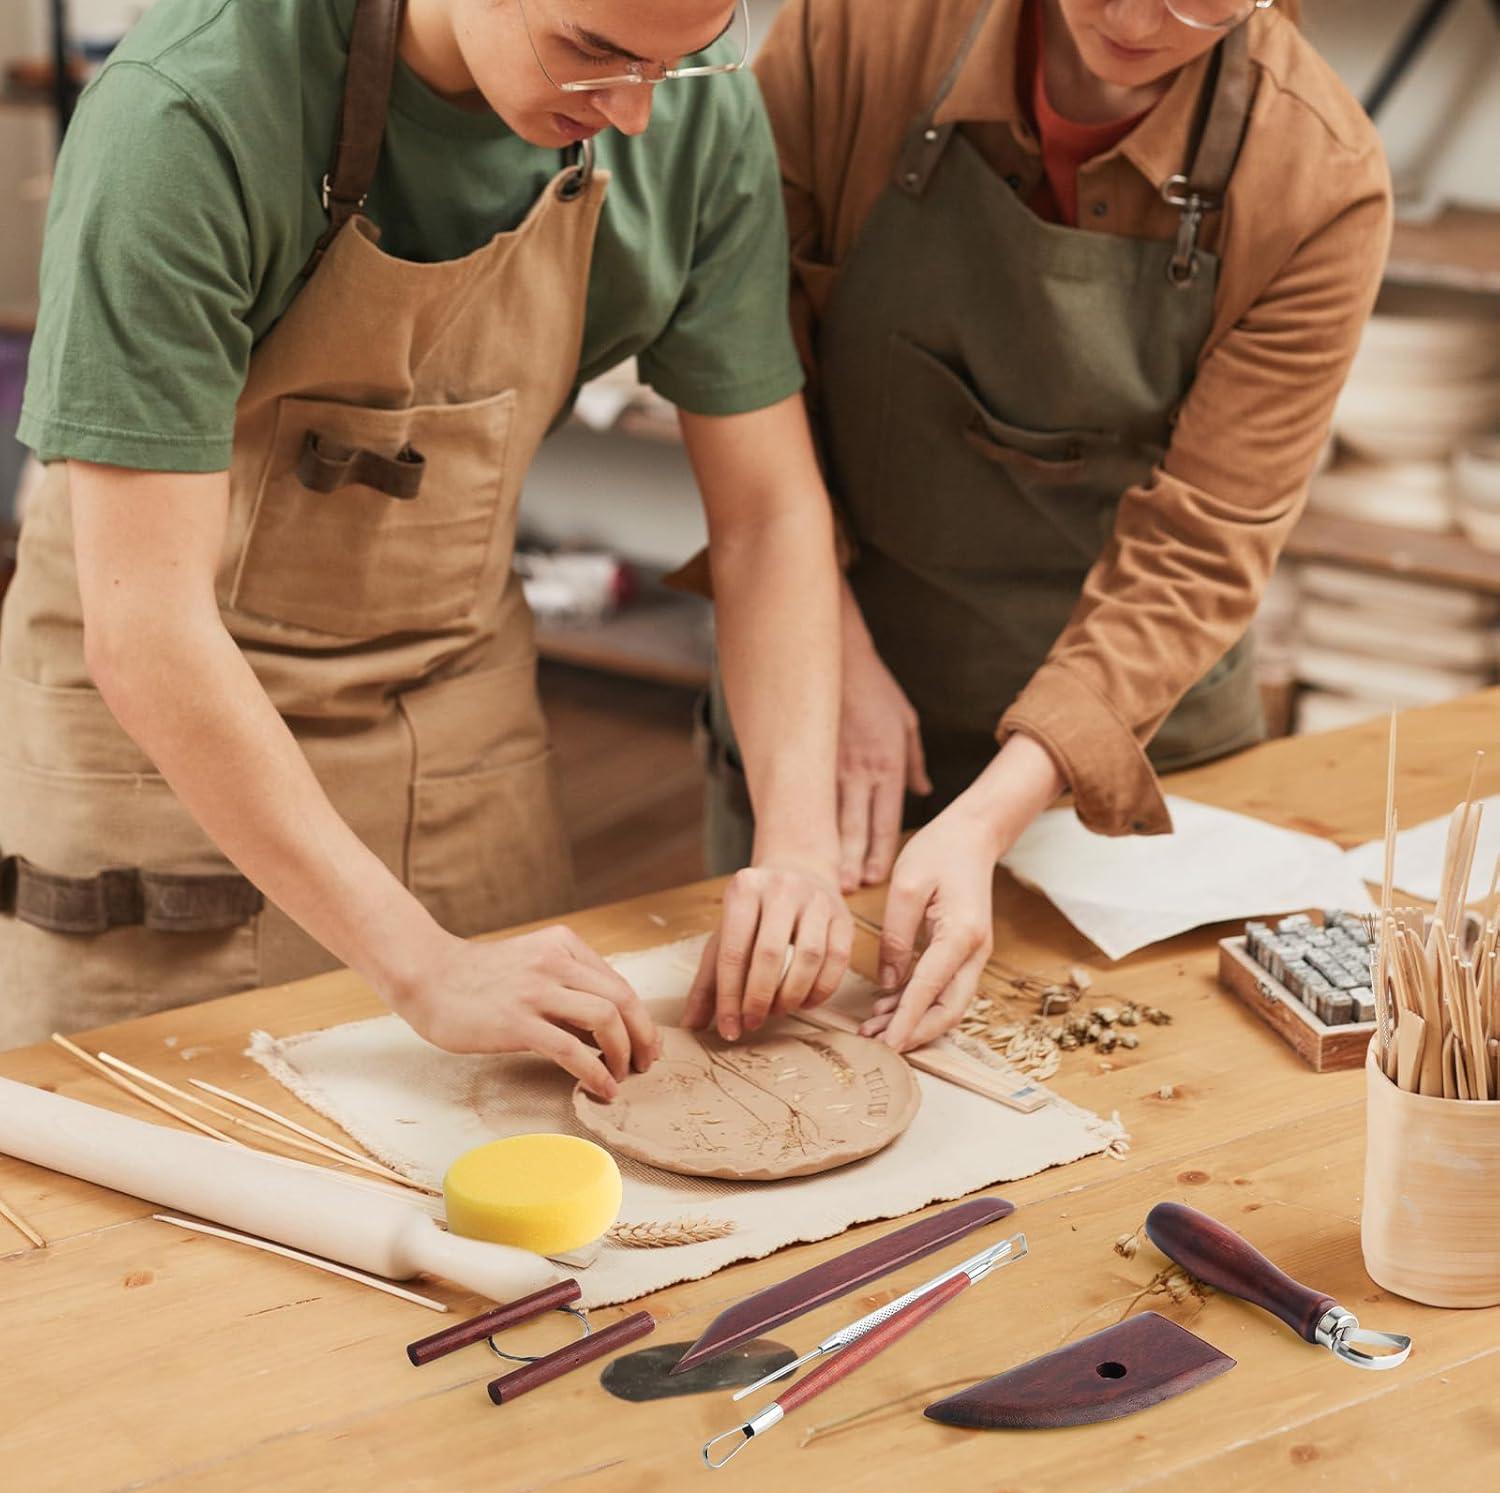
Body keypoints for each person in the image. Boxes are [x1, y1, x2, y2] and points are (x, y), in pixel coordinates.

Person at [0, 0, 855, 1095]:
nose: (637, 113)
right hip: (167, 739)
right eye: (593, 52)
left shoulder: (689, 115)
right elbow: (149, 629)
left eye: (678, 63)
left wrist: (797, 844)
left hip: (449, 718)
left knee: (522, 1173)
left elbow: (769, 517)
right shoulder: (188, 113)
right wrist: (419, 965)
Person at [696, 0, 1390, 1050]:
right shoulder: (857, 31)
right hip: (828, 672)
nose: (1131, 15)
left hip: (1131, 738)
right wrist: (829, 651)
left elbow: (1199, 550)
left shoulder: (1319, 178)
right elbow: (738, 362)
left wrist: (988, 815)